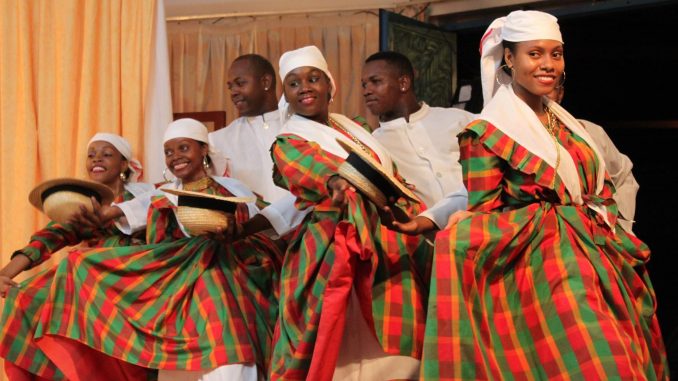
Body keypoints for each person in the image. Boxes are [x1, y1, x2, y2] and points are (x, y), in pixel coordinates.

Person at [420, 10, 667, 380]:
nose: (548, 64)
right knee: (596, 362)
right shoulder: (488, 131)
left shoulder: (570, 126)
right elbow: (484, 206)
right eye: (534, 54)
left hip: (596, 255)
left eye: (555, 53)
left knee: (623, 358)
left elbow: (604, 187)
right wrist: (454, 226)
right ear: (509, 58)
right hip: (545, 265)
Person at [29, 119, 283, 381]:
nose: (175, 157)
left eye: (184, 148)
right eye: (169, 152)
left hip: (228, 265)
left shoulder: (232, 188)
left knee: (220, 302)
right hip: (177, 268)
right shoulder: (163, 193)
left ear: (203, 150)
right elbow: (133, 209)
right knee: (80, 261)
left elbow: (265, 219)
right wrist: (104, 215)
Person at [268, 45, 431, 381]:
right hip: (334, 245)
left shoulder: (354, 128)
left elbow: (387, 173)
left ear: (330, 85)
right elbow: (308, 171)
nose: (305, 88)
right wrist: (335, 183)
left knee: (397, 344)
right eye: (294, 83)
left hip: (387, 238)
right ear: (286, 95)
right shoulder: (288, 140)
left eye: (314, 79)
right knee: (340, 342)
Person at [0, 133, 154, 380]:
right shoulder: (84, 201)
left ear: (125, 164)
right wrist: (5, 274)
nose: (97, 159)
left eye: (106, 154)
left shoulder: (143, 198)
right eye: (91, 154)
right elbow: (50, 237)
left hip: (129, 276)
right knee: (24, 297)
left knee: (77, 265)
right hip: (86, 276)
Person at [363, 51, 473, 233]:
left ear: (403, 83)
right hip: (432, 245)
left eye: (376, 82)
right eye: (364, 85)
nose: (367, 91)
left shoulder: (459, 118)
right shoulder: (374, 145)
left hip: (483, 228)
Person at [209, 54, 310, 241]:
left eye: (240, 83)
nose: (233, 92)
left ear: (265, 82)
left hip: (306, 236)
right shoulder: (217, 141)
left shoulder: (301, 128)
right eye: (230, 87)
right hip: (250, 242)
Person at [549, 84, 639, 232]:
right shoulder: (509, 137)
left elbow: (623, 176)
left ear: (560, 93)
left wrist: (615, 223)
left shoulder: (588, 132)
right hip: (545, 234)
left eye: (550, 86)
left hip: (594, 234)